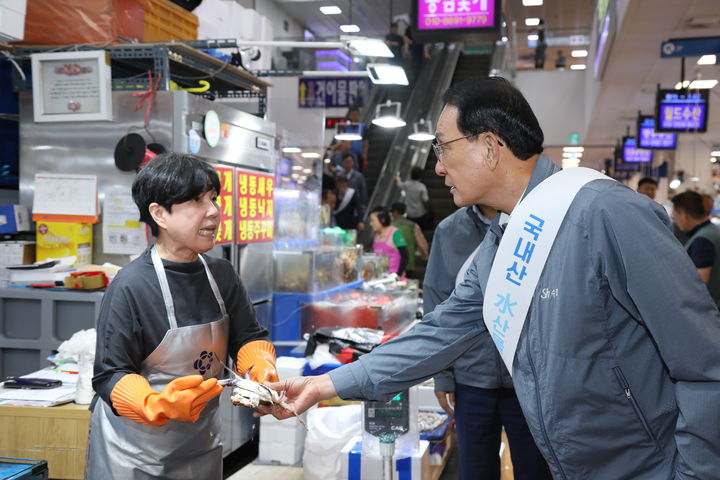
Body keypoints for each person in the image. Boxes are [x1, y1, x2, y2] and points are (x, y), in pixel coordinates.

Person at [262, 77, 720, 480]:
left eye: (443, 146)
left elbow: (703, 361)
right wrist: (324, 385)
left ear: (489, 145)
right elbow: (440, 331)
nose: (438, 166)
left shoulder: (608, 213)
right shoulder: (502, 241)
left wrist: (695, 473)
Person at [86, 153, 278, 479]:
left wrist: (260, 367)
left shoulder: (221, 273)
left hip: (200, 444)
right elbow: (110, 374)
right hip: (134, 454)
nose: (214, 211)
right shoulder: (131, 285)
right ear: (159, 213)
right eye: (195, 200)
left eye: (213, 198)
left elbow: (248, 336)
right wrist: (154, 403)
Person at [425, 203, 550, 479]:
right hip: (471, 380)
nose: (443, 171)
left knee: (537, 470)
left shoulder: (537, 221)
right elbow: (437, 305)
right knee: (475, 470)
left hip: (528, 379)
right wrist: (443, 375)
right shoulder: (449, 230)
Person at [671, 190, 720, 306]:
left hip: (711, 310)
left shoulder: (703, 240)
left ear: (684, 215)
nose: (675, 221)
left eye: (675, 216)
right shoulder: (711, 231)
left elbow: (700, 281)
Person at [389, 202, 429, 278]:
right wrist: (425, 254)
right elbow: (421, 242)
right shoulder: (412, 225)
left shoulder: (388, 226)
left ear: (395, 212)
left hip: (392, 264)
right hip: (408, 263)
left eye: (392, 212)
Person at [369, 206, 408, 276]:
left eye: (373, 220)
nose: (370, 224)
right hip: (380, 277)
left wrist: (398, 275)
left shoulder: (395, 233)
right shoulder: (376, 235)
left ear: (382, 219)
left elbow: (405, 256)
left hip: (393, 277)